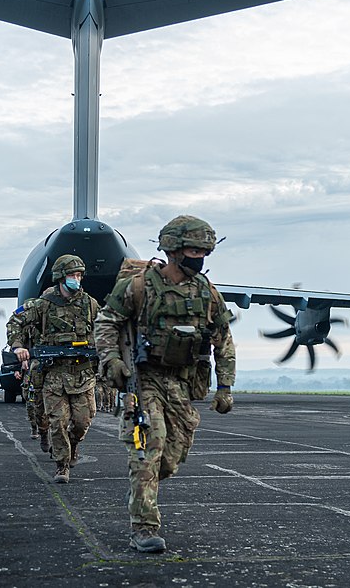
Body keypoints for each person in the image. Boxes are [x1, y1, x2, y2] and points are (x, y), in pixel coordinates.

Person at [95, 215, 236, 553]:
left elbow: (223, 340)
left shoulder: (207, 293)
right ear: (173, 250)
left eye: (204, 252)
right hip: (144, 378)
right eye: (192, 250)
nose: (198, 258)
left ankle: (141, 487)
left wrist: (225, 386)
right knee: (148, 448)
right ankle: (144, 527)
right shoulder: (140, 286)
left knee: (171, 457)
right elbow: (107, 321)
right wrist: (112, 359)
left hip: (180, 383)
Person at [10, 254, 100, 484]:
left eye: (79, 275)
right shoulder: (43, 305)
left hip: (83, 374)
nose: (76, 279)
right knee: (58, 423)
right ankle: (62, 466)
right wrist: (18, 346)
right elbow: (16, 320)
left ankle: (73, 446)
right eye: (72, 275)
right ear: (61, 277)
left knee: (82, 421)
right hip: (54, 375)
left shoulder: (90, 304)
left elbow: (106, 328)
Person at [6, 299, 49, 452]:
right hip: (31, 370)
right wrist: (18, 367)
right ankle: (38, 429)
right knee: (33, 402)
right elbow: (16, 348)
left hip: (54, 368)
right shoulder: (25, 330)